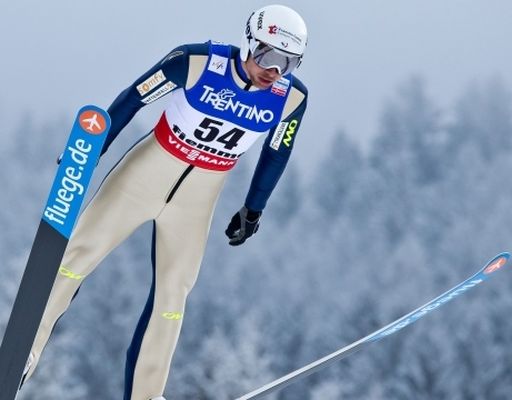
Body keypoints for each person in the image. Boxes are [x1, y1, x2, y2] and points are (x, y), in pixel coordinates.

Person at [22, 5, 308, 400]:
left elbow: (277, 153)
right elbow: (133, 99)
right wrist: (90, 152)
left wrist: (253, 209)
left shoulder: (290, 98)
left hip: (198, 199)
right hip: (145, 174)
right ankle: (25, 355)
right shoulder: (195, 61)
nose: (273, 71)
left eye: (287, 63)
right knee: (75, 259)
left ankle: (146, 394)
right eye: (267, 56)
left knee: (173, 300)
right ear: (249, 42)